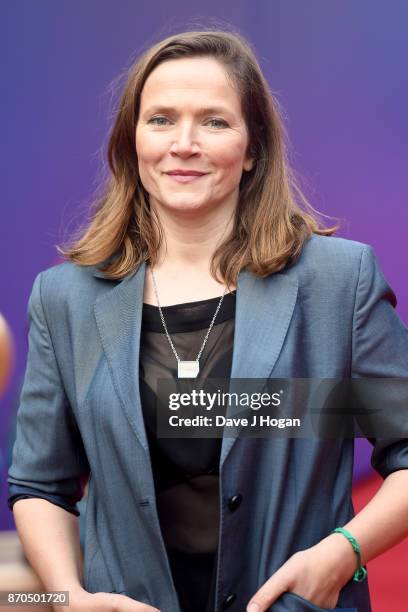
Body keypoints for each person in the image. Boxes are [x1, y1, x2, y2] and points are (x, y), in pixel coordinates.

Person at [7, 28, 408, 612]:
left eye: (215, 122)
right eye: (161, 119)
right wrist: (67, 599)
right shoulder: (64, 297)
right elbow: (41, 486)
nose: (184, 143)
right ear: (131, 142)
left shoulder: (338, 283)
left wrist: (343, 552)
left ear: (252, 149)